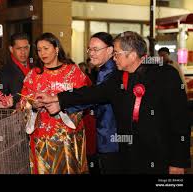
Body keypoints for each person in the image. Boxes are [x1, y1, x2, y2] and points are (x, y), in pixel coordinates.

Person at [36, 31, 191, 174]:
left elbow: (180, 121)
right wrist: (57, 98)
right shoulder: (118, 78)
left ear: (132, 55)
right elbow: (91, 93)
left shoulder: (165, 75)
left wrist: (178, 162)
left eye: (116, 54)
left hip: (160, 157)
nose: (114, 58)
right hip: (128, 157)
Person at [20, 32, 89, 174]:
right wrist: (32, 106)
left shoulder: (73, 72)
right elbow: (23, 100)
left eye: (46, 48)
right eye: (39, 50)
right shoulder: (33, 75)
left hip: (68, 137)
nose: (42, 53)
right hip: (41, 137)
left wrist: (61, 108)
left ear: (56, 48)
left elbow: (85, 99)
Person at [67, 32, 119, 174]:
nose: (91, 53)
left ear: (109, 50)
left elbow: (94, 97)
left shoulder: (110, 72)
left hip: (112, 138)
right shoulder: (104, 70)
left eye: (96, 49)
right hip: (107, 137)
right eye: (89, 49)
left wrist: (62, 103)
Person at [0, 33, 33, 108]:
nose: (23, 52)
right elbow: (0, 101)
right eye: (19, 48)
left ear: (29, 47)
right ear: (11, 49)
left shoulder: (36, 67)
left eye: (26, 48)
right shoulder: (3, 73)